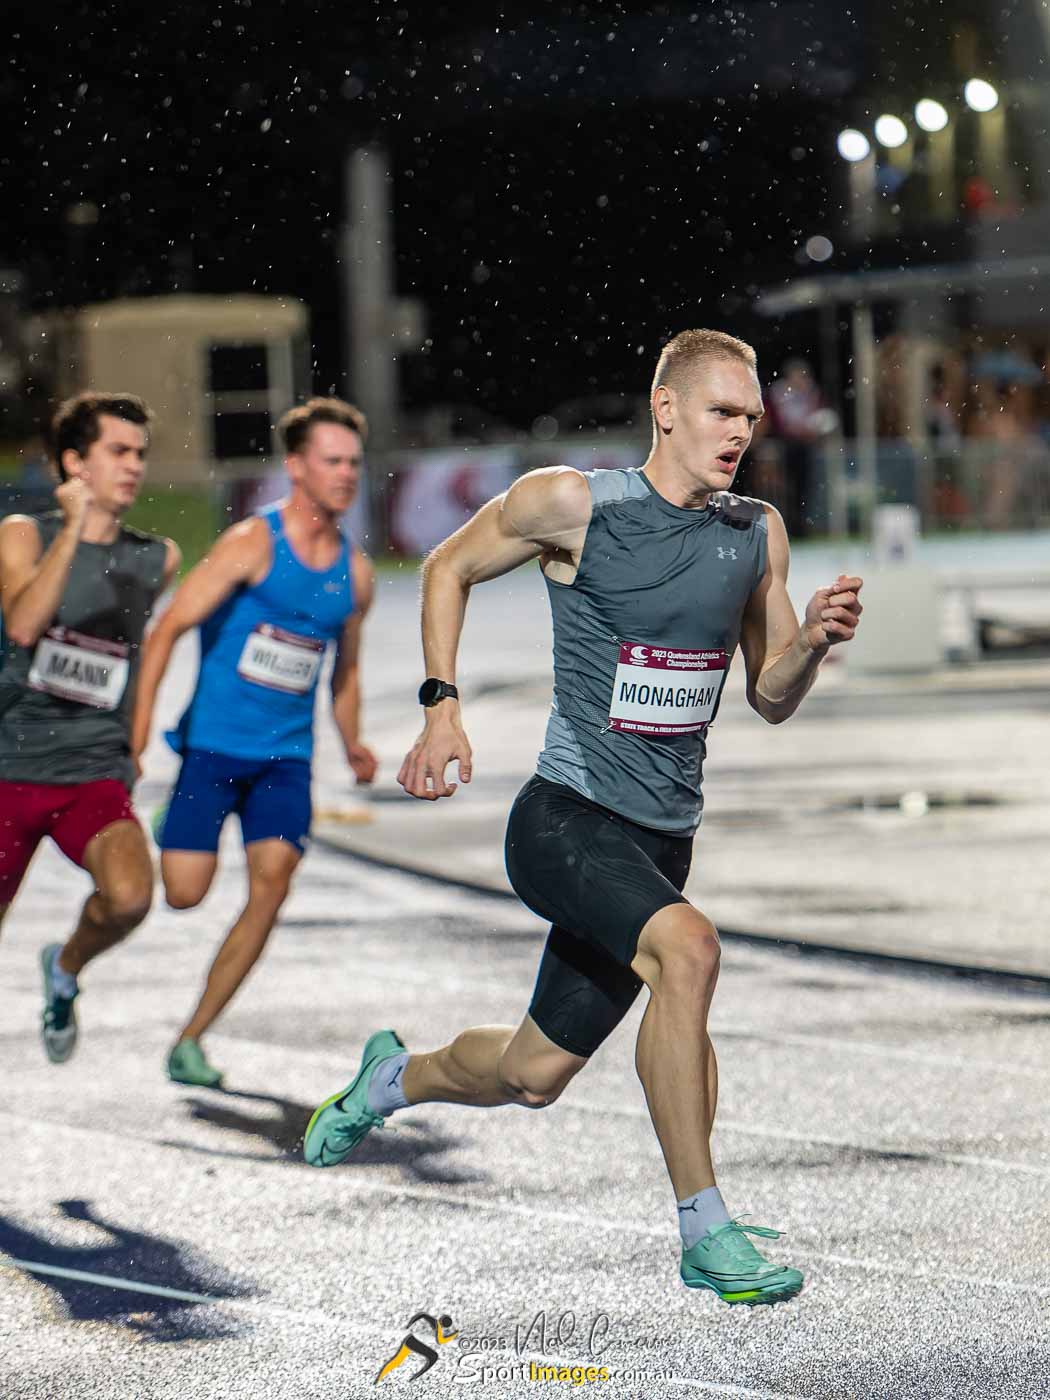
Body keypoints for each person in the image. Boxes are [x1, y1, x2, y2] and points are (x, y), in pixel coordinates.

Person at [303, 330, 865, 1308]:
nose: (739, 431)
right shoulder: (575, 504)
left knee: (532, 1070)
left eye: (750, 417)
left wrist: (810, 638)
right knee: (686, 953)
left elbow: (770, 692)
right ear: (667, 408)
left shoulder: (755, 533)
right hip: (564, 819)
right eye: (721, 411)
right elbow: (446, 564)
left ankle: (391, 1077)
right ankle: (705, 1224)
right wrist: (442, 705)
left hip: (659, 840)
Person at [131, 397, 377, 1088]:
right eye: (332, 460)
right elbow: (167, 628)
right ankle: (173, 823)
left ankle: (192, 1036)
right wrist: (141, 727)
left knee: (272, 884)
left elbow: (346, 669)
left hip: (285, 761)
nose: (347, 474)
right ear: (296, 466)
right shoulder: (251, 545)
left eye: (354, 462)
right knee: (183, 893)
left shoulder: (353, 575)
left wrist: (351, 740)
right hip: (212, 750)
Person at [0, 392, 180, 1062]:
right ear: (75, 462)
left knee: (131, 898)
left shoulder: (154, 558)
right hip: (9, 768)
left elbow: (134, 655)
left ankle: (65, 968)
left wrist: (134, 739)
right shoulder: (24, 534)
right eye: (118, 452)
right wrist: (74, 528)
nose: (133, 467)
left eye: (140, 454)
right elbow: (24, 624)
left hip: (92, 773)